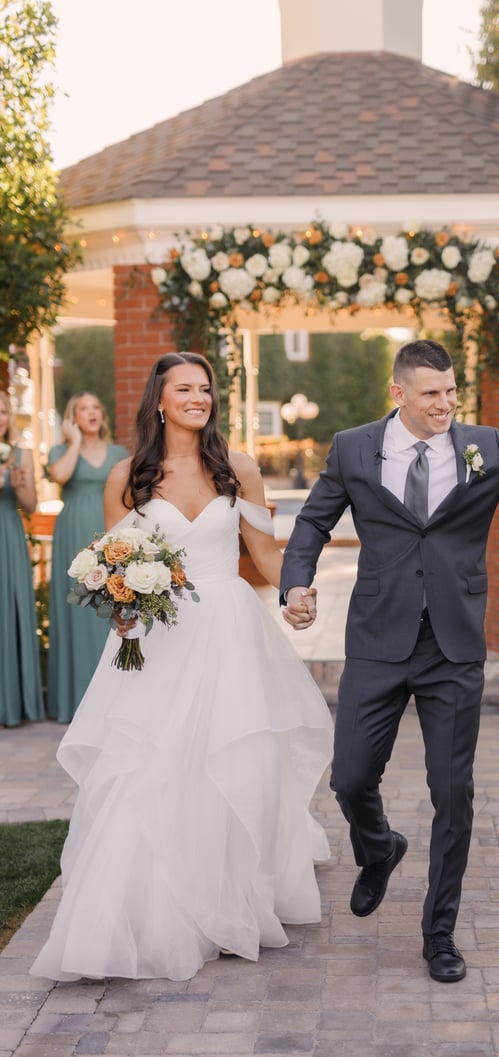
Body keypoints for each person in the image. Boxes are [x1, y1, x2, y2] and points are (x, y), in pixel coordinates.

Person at [280, 338, 499, 983]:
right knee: (348, 777)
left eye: (451, 392)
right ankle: (379, 848)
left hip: (453, 646)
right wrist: (296, 583)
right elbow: (312, 523)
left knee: (453, 795)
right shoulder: (353, 447)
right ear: (398, 392)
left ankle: (440, 934)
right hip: (377, 638)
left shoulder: (485, 445)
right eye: (431, 394)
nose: (445, 405)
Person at [31, 352, 333, 983]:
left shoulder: (238, 469)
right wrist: (121, 607)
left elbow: (266, 555)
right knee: (149, 768)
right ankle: (139, 915)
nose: (199, 397)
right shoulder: (128, 477)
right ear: (160, 401)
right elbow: (114, 563)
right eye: (185, 388)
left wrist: (295, 596)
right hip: (158, 638)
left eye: (206, 388)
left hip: (229, 631)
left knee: (236, 762)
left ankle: (230, 903)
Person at [46, 392, 129, 722]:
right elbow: (61, 476)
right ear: (72, 417)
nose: (92, 413)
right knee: (76, 610)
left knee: (114, 606)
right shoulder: (61, 451)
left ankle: (114, 696)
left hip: (111, 534)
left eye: (97, 407)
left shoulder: (119, 453)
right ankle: (76, 698)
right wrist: (75, 442)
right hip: (72, 537)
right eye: (84, 409)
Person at [0, 390, 44, 726]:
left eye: (3, 411)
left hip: (8, 535)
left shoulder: (21, 454)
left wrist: (18, 486)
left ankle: (13, 702)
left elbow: (31, 506)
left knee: (10, 610)